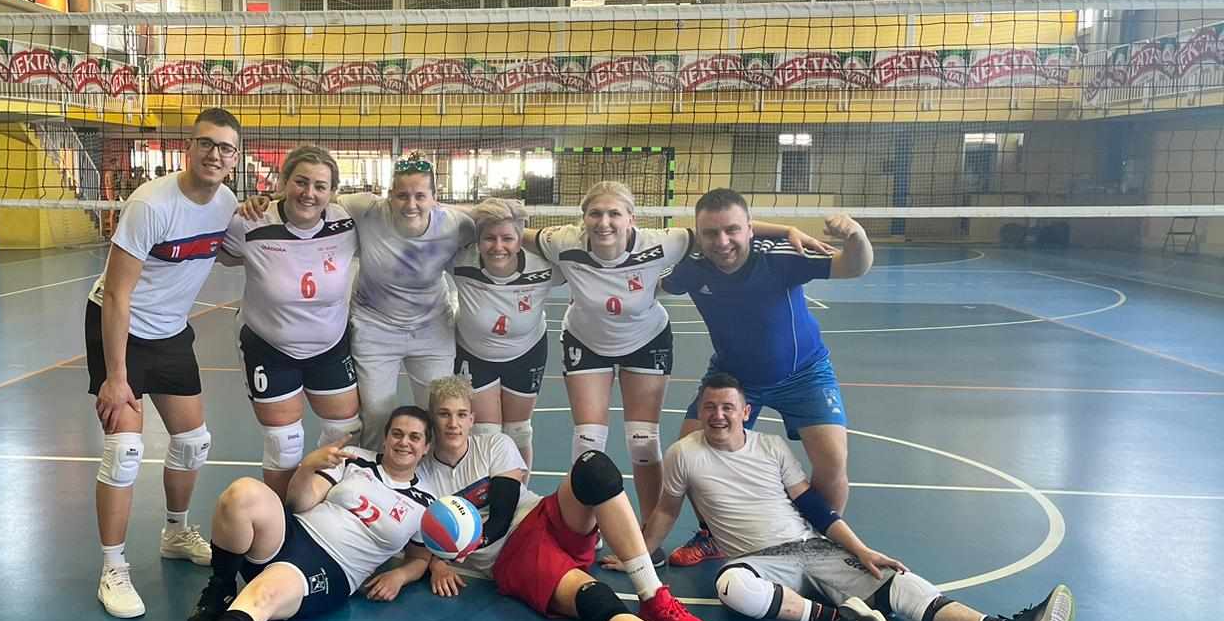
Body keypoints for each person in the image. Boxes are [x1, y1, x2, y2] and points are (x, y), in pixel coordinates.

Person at [643, 374, 1076, 621]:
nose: (717, 415)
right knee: (732, 587)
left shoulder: (771, 446)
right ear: (700, 410)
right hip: (757, 561)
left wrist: (861, 549)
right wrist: (640, 553)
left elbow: (813, 506)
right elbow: (666, 509)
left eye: (727, 407)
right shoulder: (685, 454)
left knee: (902, 585)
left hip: (810, 548)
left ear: (745, 411)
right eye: (709, 407)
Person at [364, 376, 724, 621]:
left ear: (473, 418)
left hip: (544, 515)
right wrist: (437, 560)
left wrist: (464, 547)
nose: (454, 423)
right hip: (516, 556)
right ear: (433, 420)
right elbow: (416, 529)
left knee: (593, 467)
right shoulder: (424, 476)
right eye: (444, 414)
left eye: (461, 414)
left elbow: (503, 510)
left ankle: (653, 596)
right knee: (591, 597)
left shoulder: (495, 445)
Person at [531, 182, 819, 528]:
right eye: (595, 213)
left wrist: (786, 230)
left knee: (643, 441)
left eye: (614, 213)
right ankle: (582, 530)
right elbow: (514, 233)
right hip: (586, 341)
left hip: (646, 340)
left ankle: (648, 531)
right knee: (587, 441)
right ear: (583, 219)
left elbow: (722, 230)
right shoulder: (563, 241)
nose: (604, 222)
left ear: (631, 218)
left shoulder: (663, 242)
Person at [147, 407, 439, 621]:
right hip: (293, 532)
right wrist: (308, 467)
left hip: (332, 567)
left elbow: (420, 558)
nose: (404, 442)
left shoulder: (426, 504)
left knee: (264, 594)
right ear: (386, 438)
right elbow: (299, 503)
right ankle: (221, 588)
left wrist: (399, 576)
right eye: (397, 433)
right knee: (242, 492)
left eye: (414, 437)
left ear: (426, 447)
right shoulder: (355, 459)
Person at [655, 187, 870, 568]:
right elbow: (646, 282)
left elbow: (853, 267)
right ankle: (712, 534)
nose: (723, 242)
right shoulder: (691, 267)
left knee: (833, 459)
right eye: (711, 233)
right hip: (734, 378)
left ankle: (818, 540)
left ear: (750, 229)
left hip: (804, 373)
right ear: (698, 236)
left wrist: (856, 237)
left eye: (732, 230)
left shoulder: (782, 257)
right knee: (690, 449)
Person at [87, 108, 241, 620]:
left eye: (225, 148)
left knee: (193, 441)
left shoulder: (227, 204)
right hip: (121, 327)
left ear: (234, 159)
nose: (215, 154)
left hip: (171, 331)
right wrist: (116, 377)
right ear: (189, 148)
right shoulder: (151, 204)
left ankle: (175, 532)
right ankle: (112, 567)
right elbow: (116, 293)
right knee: (125, 450)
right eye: (206, 143)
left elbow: (230, 251)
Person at [241, 153, 474, 450]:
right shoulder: (366, 210)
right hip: (376, 328)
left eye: (420, 196)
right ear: (390, 194)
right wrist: (267, 199)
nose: (411, 204)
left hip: (432, 329)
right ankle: (373, 475)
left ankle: (435, 473)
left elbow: (492, 231)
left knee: (438, 411)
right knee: (376, 416)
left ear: (435, 198)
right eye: (402, 195)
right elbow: (317, 196)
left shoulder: (456, 224)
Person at [217, 145, 362, 498]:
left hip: (330, 346)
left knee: (345, 431)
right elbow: (220, 253)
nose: (309, 193)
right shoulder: (250, 223)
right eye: (301, 182)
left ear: (332, 192)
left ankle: (321, 505)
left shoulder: (347, 223)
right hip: (269, 346)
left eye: (320, 186)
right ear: (283, 182)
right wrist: (236, 209)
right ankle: (282, 518)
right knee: (284, 443)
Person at [450, 199, 555, 468]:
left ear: (520, 240)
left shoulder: (545, 268)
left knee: (518, 432)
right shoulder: (460, 260)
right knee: (485, 434)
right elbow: (434, 214)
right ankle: (484, 491)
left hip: (527, 353)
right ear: (477, 240)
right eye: (489, 238)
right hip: (475, 354)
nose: (498, 247)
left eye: (507, 238)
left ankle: (519, 492)